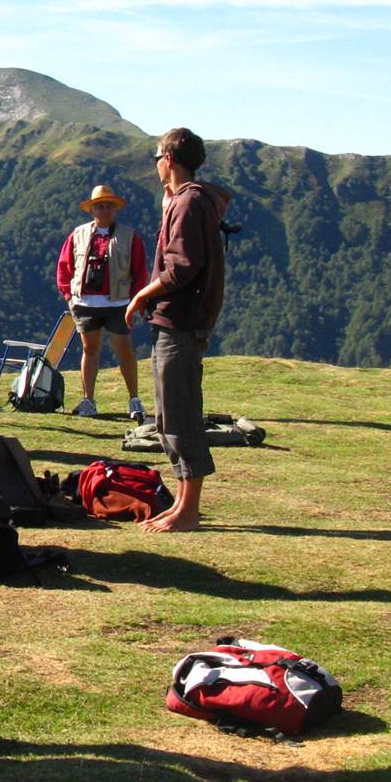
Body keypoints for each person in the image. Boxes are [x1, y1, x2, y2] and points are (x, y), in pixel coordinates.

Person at [125, 128, 231, 534]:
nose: (154, 163)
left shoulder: (189, 202)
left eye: (157, 156)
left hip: (181, 321)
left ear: (168, 158)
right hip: (173, 320)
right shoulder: (183, 199)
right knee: (168, 415)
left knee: (181, 413)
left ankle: (189, 510)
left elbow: (181, 268)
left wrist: (140, 297)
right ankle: (183, 503)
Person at [55, 184, 150, 421]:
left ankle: (134, 399)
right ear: (92, 210)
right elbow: (64, 267)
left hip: (118, 303)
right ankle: (88, 400)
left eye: (109, 206)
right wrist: (69, 296)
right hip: (85, 304)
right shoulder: (78, 234)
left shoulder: (130, 237)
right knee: (90, 349)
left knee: (124, 350)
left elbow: (140, 271)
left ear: (115, 209)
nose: (104, 210)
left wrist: (136, 300)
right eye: (99, 206)